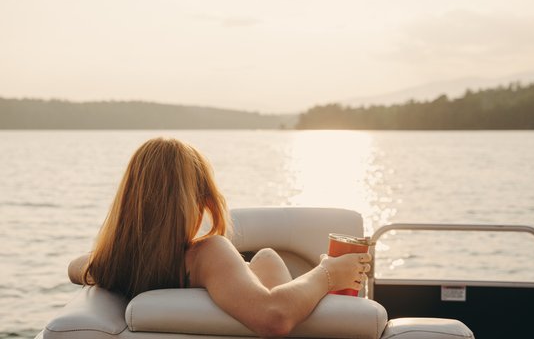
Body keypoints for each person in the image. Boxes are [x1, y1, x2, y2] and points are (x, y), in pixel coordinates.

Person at [68, 137, 372, 338]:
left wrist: (98, 260)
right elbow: (274, 318)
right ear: (200, 202)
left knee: (263, 259)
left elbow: (75, 267)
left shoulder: (117, 265)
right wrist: (329, 274)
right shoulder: (207, 255)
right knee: (266, 259)